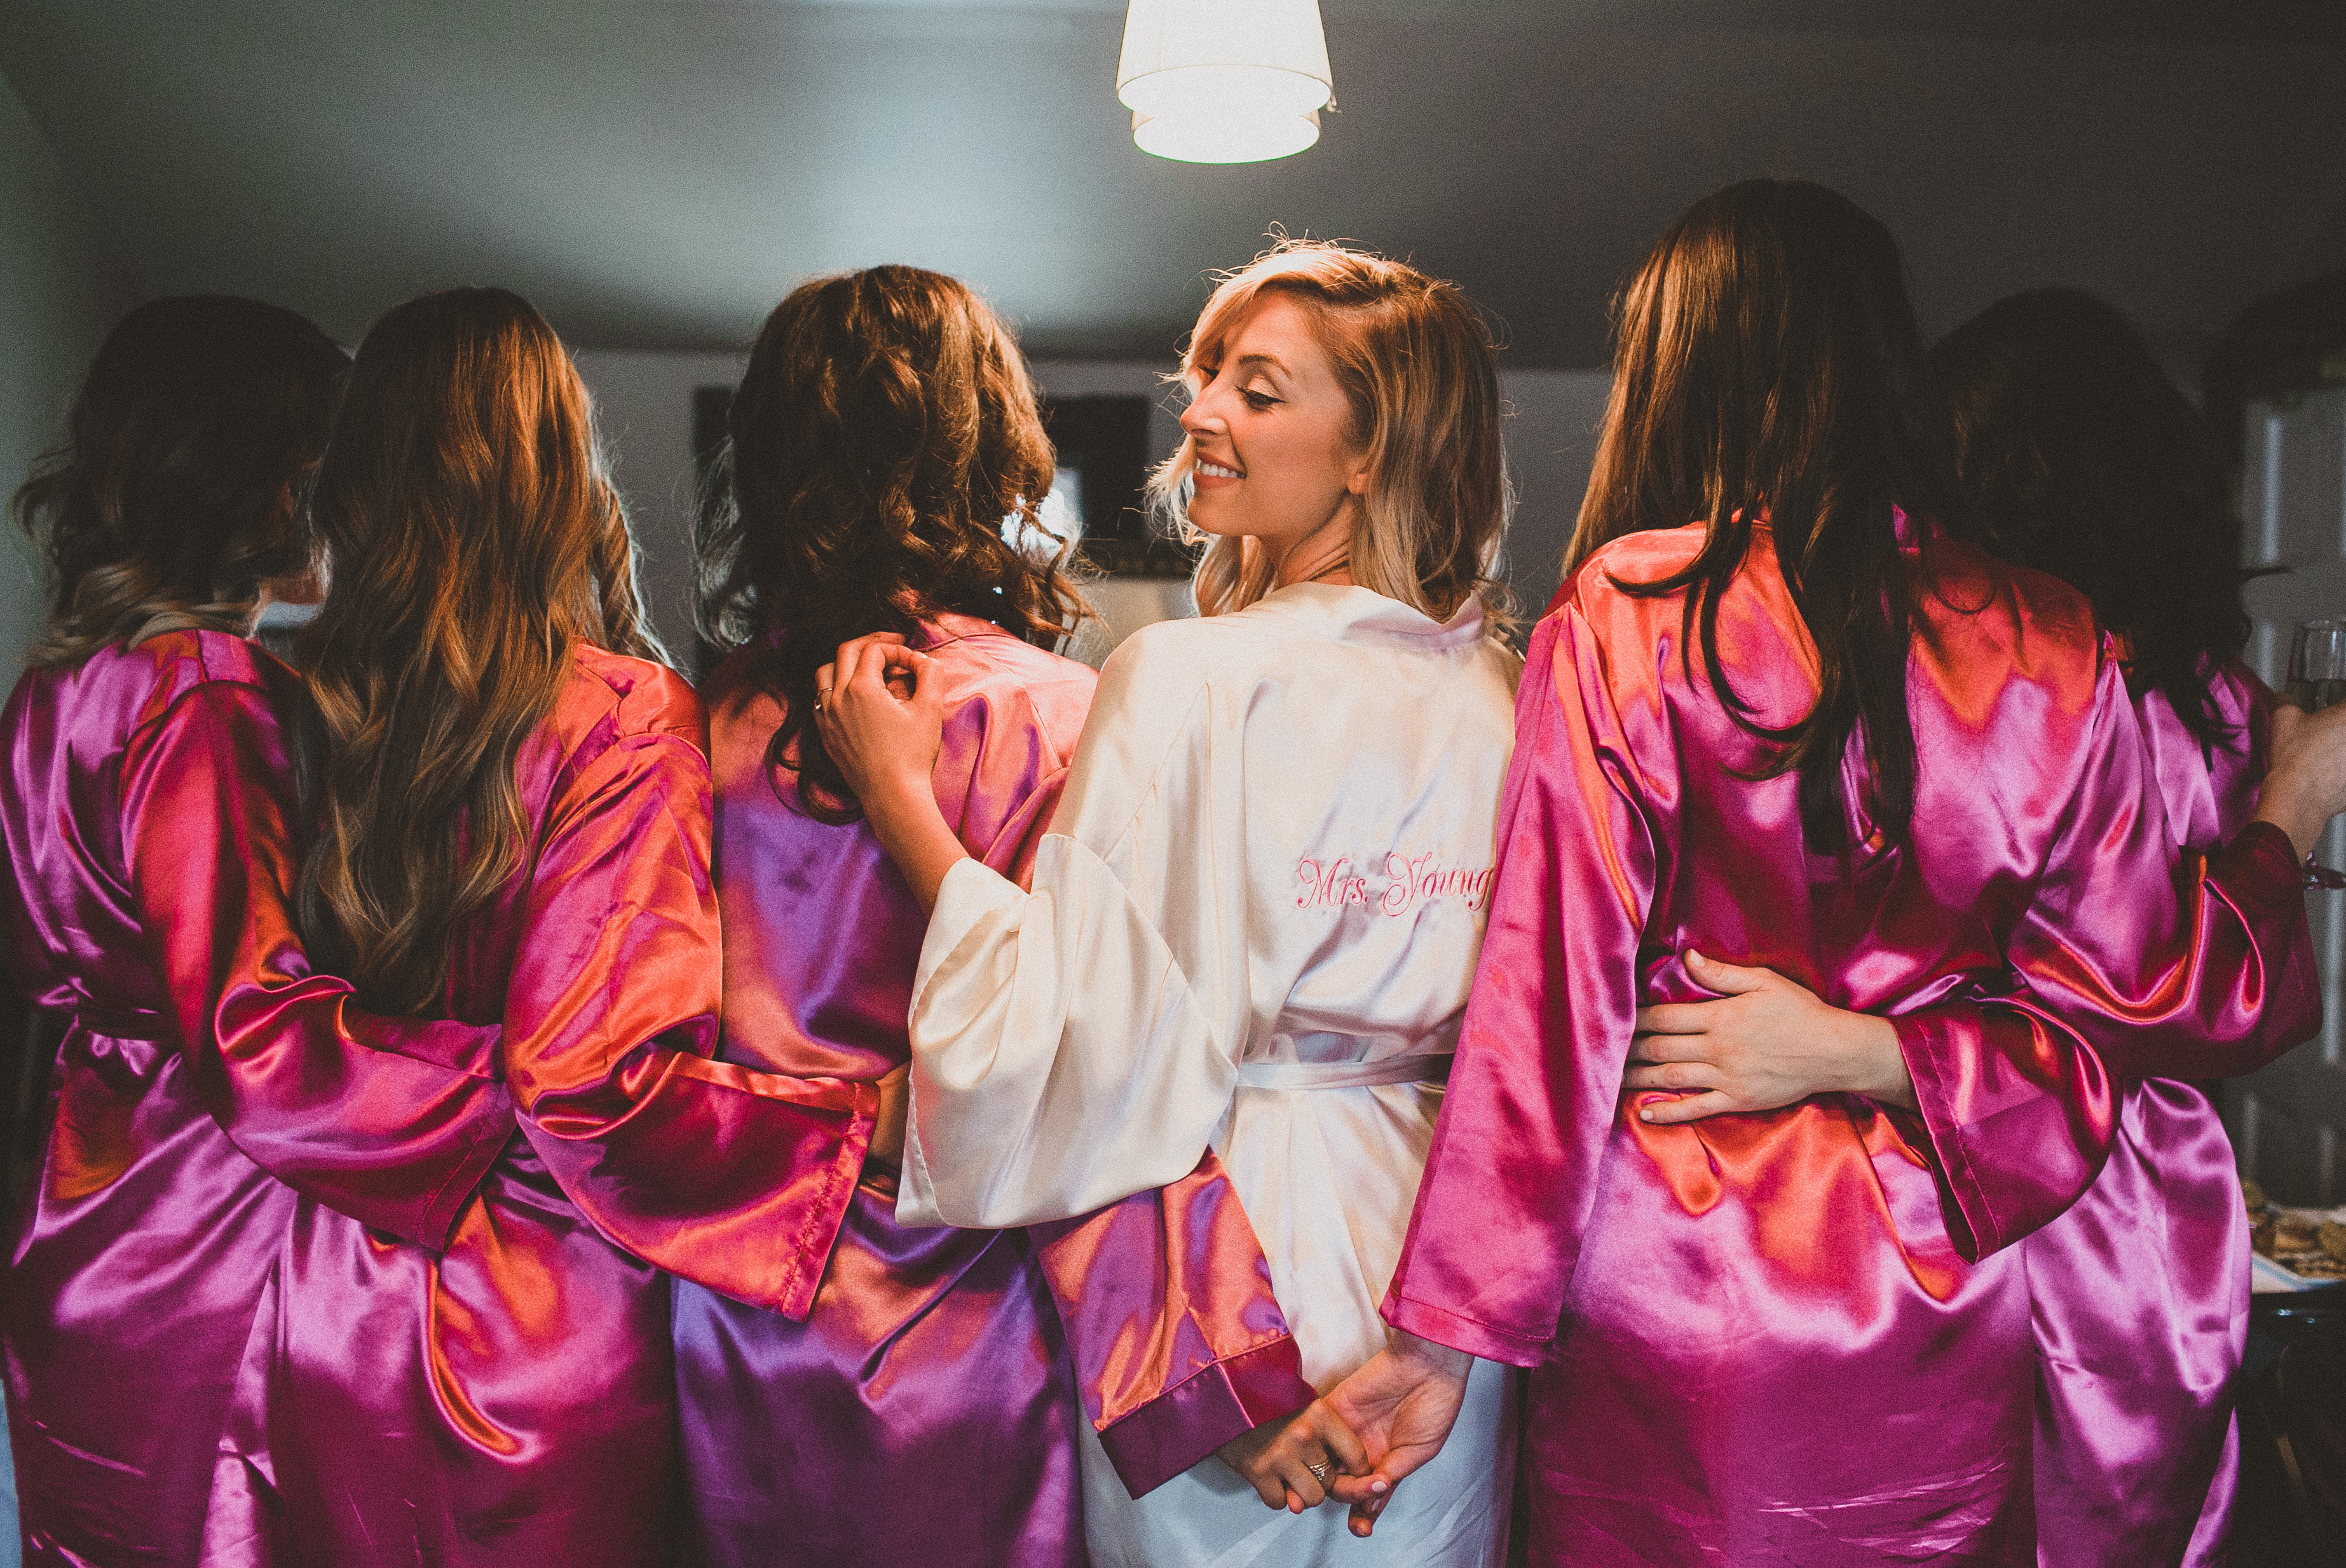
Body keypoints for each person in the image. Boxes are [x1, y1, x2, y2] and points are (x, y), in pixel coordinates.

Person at [1323, 181, 2331, 1565]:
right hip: (1932, 1295)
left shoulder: (1626, 613)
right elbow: (2121, 1017)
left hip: (1668, 1284)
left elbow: (1546, 1006)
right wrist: (1902, 1055)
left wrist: (1446, 1336)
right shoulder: (2051, 638)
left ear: (1680, 367)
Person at [817, 240, 1524, 1565]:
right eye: (1205, 378)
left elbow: (1067, 1045)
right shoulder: (1506, 692)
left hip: (1236, 1256)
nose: (1197, 413)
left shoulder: (1187, 674)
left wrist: (900, 797)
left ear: (1370, 449)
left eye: (1257, 390)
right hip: (1438, 1284)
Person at [196, 287, 864, 1568]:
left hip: (325, 1297)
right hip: (543, 1317)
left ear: (358, 471)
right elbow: (594, 1079)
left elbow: (250, 1035)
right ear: (559, 466)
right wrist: (846, 1143)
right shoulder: (621, 718)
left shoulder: (274, 709)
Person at [1629, 288, 2282, 1564]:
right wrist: (2291, 819)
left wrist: (1857, 1044)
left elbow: (2154, 993)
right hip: (2105, 1209)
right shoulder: (2194, 701)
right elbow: (2196, 994)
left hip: (2015, 1199)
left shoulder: (2039, 679)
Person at [678, 265, 1312, 1567]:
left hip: (733, 1315)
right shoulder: (1059, 718)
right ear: (994, 450)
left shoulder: (690, 729)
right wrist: (1215, 1376)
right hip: (977, 1323)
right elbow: (1099, 1082)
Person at [0, 297, 508, 1565]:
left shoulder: (57, 689)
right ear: (270, 481)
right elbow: (261, 1044)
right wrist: (512, 1092)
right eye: (334, 464)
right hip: (209, 1239)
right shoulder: (207, 703)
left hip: (84, 1208)